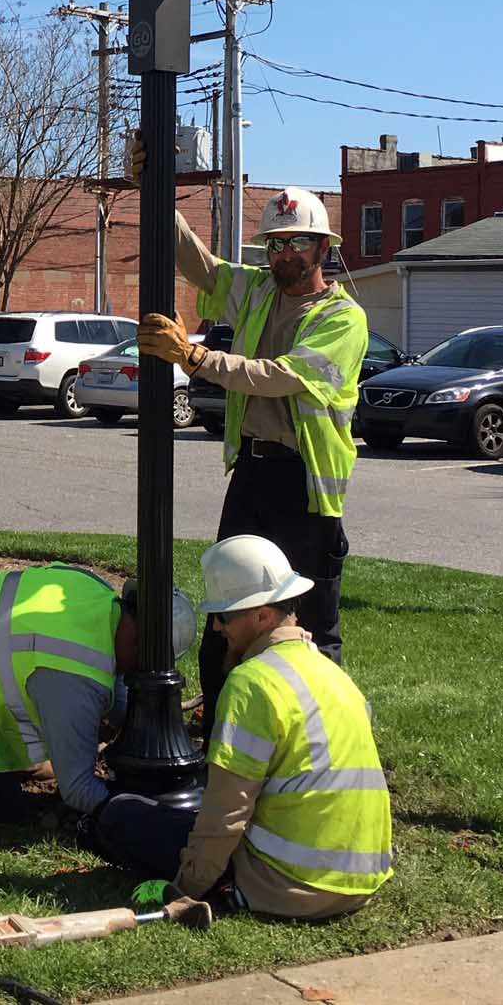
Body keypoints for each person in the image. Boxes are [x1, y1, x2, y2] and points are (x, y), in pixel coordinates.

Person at [131, 137, 366, 698]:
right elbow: (204, 270)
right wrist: (155, 194)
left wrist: (195, 357)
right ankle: (220, 729)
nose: (285, 253)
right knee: (229, 610)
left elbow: (280, 375)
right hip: (253, 477)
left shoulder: (342, 317)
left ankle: (313, 743)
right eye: (277, 242)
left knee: (308, 625)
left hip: (306, 489)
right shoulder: (261, 291)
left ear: (322, 248)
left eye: (298, 242)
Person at [91, 535, 392, 921]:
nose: (217, 627)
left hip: (286, 885)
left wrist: (186, 888)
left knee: (121, 816)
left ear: (263, 615)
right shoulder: (333, 675)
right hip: (359, 885)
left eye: (225, 615)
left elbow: (226, 813)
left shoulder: (253, 682)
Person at [0, 565, 197, 821]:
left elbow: (119, 704)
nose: (142, 677)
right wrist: (148, 815)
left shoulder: (94, 591)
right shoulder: (75, 678)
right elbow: (78, 790)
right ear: (141, 648)